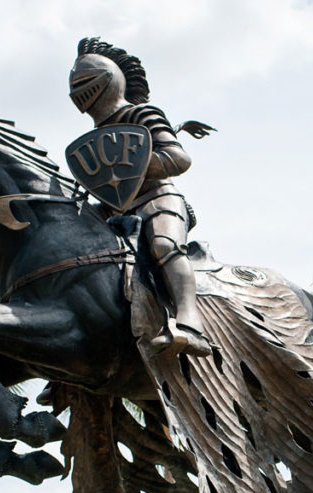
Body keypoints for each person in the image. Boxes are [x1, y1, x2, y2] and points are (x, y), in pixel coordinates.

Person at [69, 36, 210, 357]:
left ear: (109, 80)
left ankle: (191, 325)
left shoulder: (141, 114)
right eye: (75, 84)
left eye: (85, 82)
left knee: (165, 246)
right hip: (114, 213)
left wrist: (136, 167)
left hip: (157, 200)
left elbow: (179, 158)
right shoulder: (92, 138)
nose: (78, 92)